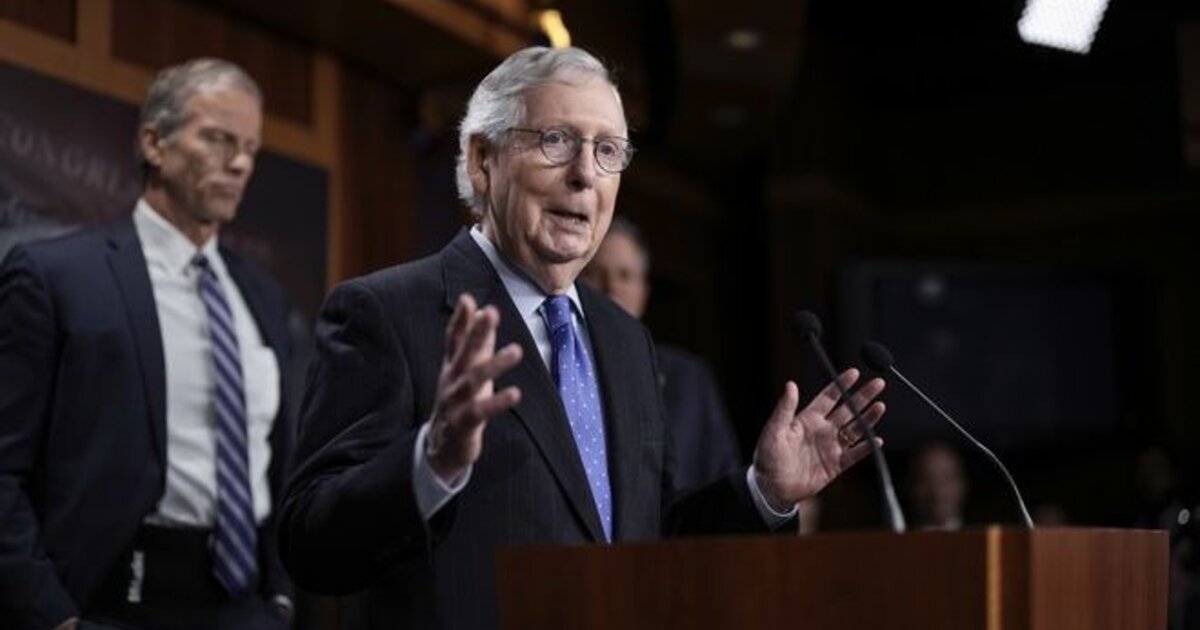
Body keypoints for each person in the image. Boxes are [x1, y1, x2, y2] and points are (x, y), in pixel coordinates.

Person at [279, 46, 886, 630]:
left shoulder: (625, 339)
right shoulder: (385, 311)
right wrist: (429, 463)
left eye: (607, 151)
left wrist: (764, 493)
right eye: (556, 140)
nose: (584, 175)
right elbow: (311, 543)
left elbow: (648, 535)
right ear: (482, 160)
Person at [0, 58, 295, 629]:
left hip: (248, 607)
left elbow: (279, 461)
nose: (239, 164)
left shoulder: (263, 296)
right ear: (154, 143)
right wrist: (52, 616)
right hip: (114, 603)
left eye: (250, 149)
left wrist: (280, 598)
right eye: (218, 139)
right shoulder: (55, 278)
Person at [580, 216, 741, 489]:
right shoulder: (563, 371)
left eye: (625, 275)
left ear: (643, 292)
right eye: (596, 274)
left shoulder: (690, 380)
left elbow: (723, 477)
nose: (612, 288)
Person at [906, 441, 968, 531]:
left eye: (947, 478)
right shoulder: (892, 537)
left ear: (963, 484)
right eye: (926, 479)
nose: (938, 492)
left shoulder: (985, 536)